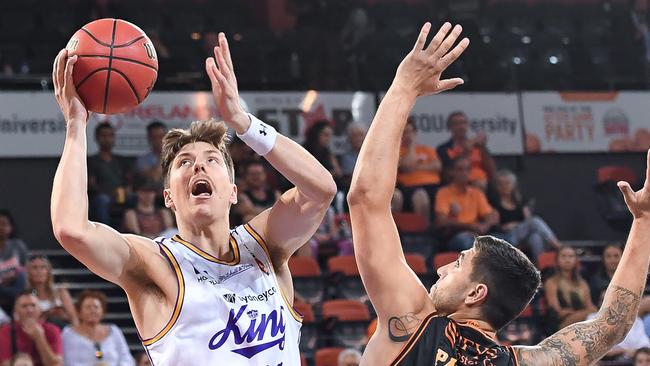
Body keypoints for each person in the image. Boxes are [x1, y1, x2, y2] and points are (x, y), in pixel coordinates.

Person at [347, 21, 650, 365]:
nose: (442, 269)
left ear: (476, 292)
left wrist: (403, 88)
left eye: (458, 264)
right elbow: (612, 325)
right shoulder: (527, 362)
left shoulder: (414, 323)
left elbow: (366, 199)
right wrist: (644, 221)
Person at [51, 31, 336, 365]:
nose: (198, 164)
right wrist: (75, 126)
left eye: (212, 160)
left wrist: (244, 123)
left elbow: (320, 190)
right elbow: (71, 229)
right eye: (184, 162)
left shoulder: (265, 246)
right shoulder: (155, 265)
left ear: (232, 191)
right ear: (169, 197)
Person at [491, 169, 561, 260]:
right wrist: (507, 226)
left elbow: (528, 221)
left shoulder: (520, 202)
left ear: (514, 185)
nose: (504, 187)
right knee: (535, 221)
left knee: (535, 237)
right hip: (506, 236)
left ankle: (540, 268)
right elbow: (495, 226)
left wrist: (516, 224)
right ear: (496, 186)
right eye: (501, 184)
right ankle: (558, 246)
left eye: (507, 183)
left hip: (522, 233)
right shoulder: (493, 203)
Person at [434, 156, 499, 251]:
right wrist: (469, 226)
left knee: (505, 241)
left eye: (468, 169)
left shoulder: (476, 193)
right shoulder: (444, 193)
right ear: (452, 172)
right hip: (456, 235)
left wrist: (485, 225)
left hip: (477, 234)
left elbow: (490, 215)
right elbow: (441, 221)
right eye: (460, 169)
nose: (465, 173)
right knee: (468, 242)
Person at [61, 290, 134, 366]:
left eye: (96, 307)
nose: (92, 311)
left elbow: (126, 358)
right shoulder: (68, 334)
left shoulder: (114, 331)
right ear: (79, 312)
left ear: (102, 311)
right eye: (88, 307)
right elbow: (67, 362)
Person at [393, 117, 442, 223]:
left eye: (410, 131)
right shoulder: (397, 151)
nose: (408, 135)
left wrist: (416, 167)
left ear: (415, 132)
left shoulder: (426, 149)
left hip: (433, 186)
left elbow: (437, 166)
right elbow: (407, 167)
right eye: (404, 132)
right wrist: (411, 146)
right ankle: (423, 232)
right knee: (420, 196)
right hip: (410, 188)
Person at [87, 122, 133, 226]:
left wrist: (126, 190)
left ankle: (135, 233)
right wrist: (111, 193)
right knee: (102, 201)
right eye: (103, 136)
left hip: (121, 195)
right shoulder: (92, 161)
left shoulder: (121, 160)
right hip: (103, 196)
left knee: (135, 198)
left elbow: (129, 181)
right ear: (97, 138)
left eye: (110, 135)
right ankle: (106, 233)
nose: (107, 139)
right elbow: (91, 184)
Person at [436, 111, 496, 190]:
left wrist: (483, 148)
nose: (461, 126)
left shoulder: (478, 146)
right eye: (456, 124)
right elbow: (447, 175)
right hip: (460, 186)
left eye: (463, 123)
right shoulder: (443, 148)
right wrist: (465, 152)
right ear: (450, 127)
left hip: (484, 184)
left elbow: (492, 172)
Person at [0, 290, 63, 366]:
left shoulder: (52, 330)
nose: (29, 310)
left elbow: (55, 364)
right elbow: (5, 363)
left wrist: (39, 338)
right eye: (24, 306)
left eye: (33, 305)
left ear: (40, 309)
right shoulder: (6, 331)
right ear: (16, 311)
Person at [544, 246, 597, 330]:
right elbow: (557, 312)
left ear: (576, 260)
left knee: (594, 316)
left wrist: (581, 313)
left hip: (583, 320)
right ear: (557, 260)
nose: (567, 259)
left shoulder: (582, 283)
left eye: (570, 256)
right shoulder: (552, 282)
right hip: (561, 323)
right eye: (563, 256)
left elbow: (591, 307)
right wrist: (579, 313)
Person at [25, 256, 78, 328]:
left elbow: (73, 318)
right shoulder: (25, 296)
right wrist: (47, 314)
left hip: (61, 331)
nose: (39, 271)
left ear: (48, 271)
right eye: (35, 267)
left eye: (43, 267)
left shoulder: (60, 292)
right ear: (29, 272)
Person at [0, 210, 28, 315]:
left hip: (15, 287)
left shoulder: (18, 245)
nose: (1, 227)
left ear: (11, 227)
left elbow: (25, 267)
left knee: (22, 275)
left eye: (4, 224)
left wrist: (14, 274)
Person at [135, 121, 167, 202]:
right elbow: (154, 177)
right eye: (154, 137)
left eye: (161, 137)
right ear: (149, 139)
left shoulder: (176, 156)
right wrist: (163, 154)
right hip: (152, 198)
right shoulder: (142, 159)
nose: (158, 140)